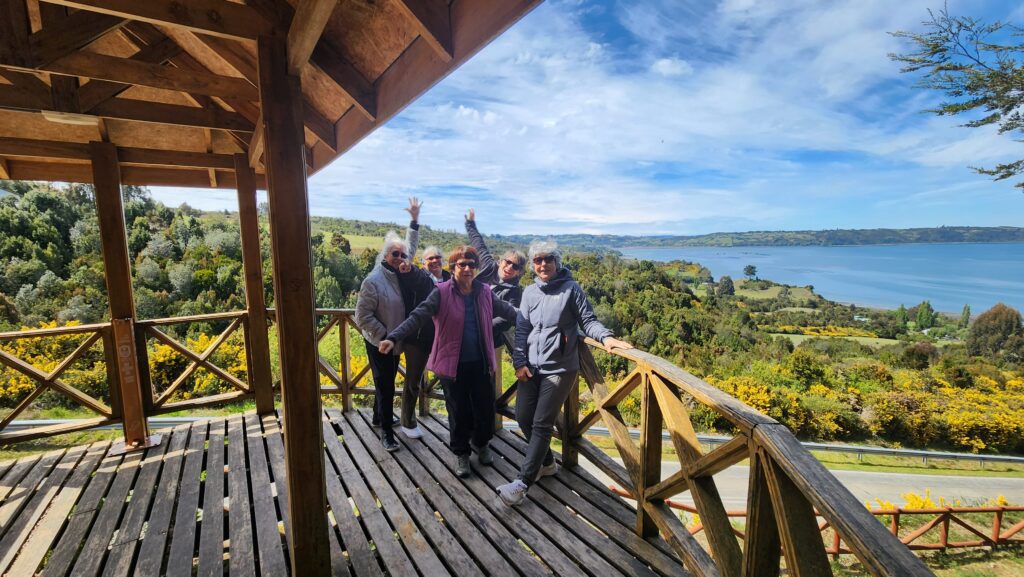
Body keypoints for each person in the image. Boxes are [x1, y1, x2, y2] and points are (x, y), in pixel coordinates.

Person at [497, 240, 631, 505]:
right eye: (538, 260)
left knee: (541, 423)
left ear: (557, 262)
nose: (543, 264)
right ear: (533, 266)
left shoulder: (571, 289)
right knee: (523, 416)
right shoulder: (529, 293)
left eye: (548, 259)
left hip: (560, 368)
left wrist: (606, 338)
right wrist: (519, 362)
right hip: (531, 368)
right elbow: (522, 329)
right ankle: (547, 463)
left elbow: (588, 320)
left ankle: (522, 483)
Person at [379, 245, 518, 477]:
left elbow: (510, 312)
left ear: (476, 268)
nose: (466, 268)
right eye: (461, 264)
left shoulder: (484, 292)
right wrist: (394, 337)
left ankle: (481, 445)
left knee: (485, 408)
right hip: (452, 366)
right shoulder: (441, 292)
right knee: (458, 411)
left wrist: (540, 323)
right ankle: (461, 454)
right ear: (452, 267)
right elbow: (418, 316)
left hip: (481, 364)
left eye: (471, 264)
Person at [354, 198, 423, 451]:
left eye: (402, 255)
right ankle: (386, 432)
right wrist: (386, 335)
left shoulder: (400, 271)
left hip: (394, 339)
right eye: (395, 253)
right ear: (385, 255)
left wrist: (414, 221)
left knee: (387, 380)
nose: (400, 257)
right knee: (386, 385)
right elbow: (361, 317)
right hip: (379, 341)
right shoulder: (373, 281)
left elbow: (411, 247)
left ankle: (376, 416)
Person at [465, 209, 527, 349]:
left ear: (519, 272)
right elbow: (479, 245)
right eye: (508, 262)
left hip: (489, 340)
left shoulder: (515, 292)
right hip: (464, 331)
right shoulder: (489, 267)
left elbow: (507, 319)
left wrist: (479, 328)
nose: (510, 267)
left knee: (490, 371)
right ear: (500, 261)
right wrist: (470, 224)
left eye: (515, 266)